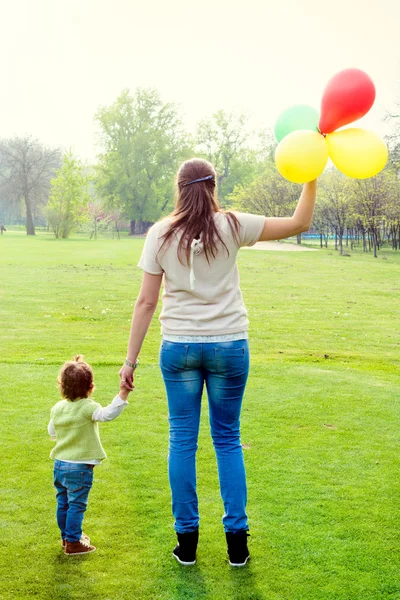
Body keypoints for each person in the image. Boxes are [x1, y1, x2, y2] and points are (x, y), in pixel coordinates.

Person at [119, 157, 317, 567]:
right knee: (227, 439)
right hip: (229, 346)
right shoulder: (232, 224)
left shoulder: (160, 233)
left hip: (179, 349)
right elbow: (299, 223)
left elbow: (146, 302)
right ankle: (236, 544)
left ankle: (187, 543)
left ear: (179, 187)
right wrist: (310, 176)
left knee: (182, 441)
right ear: (213, 186)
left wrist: (130, 362)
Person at [48, 355, 130, 555]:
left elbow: (52, 431)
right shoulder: (88, 407)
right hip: (80, 467)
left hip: (59, 465)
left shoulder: (58, 408)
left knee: (63, 502)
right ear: (90, 387)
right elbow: (107, 414)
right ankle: (74, 542)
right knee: (76, 505)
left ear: (62, 386)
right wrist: (123, 394)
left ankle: (66, 537)